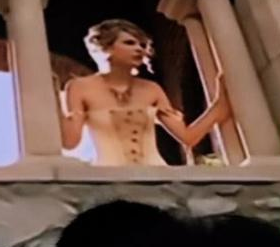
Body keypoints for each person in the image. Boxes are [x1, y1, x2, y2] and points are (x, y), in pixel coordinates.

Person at [53, 19, 230, 166]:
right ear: (106, 47)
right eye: (130, 43)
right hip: (108, 178)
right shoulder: (80, 87)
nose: (139, 48)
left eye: (142, 44)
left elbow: (187, 137)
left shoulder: (151, 89)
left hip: (157, 176)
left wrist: (218, 104)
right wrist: (54, 102)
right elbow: (70, 142)